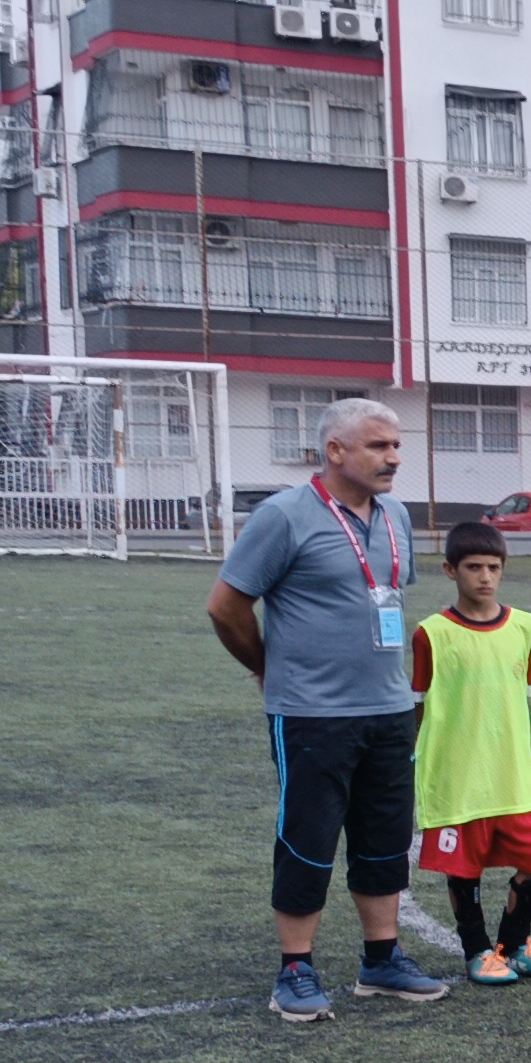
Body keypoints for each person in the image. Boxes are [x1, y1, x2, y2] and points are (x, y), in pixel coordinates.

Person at [204, 395, 441, 1019]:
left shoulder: (395, 515)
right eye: (378, 446)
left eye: (396, 445)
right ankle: (295, 969)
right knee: (308, 838)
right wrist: (264, 665)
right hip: (312, 713)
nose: (393, 457)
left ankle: (381, 959)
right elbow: (225, 606)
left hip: (388, 708)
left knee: (384, 837)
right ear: (335, 451)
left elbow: (383, 597)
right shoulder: (284, 516)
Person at [409, 521, 531, 987]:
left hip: (511, 774)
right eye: (474, 567)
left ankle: (512, 947)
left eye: (494, 567)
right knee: (464, 869)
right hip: (458, 774)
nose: (485, 576)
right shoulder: (432, 633)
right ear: (450, 570)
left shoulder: (524, 626)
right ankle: (477, 950)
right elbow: (419, 705)